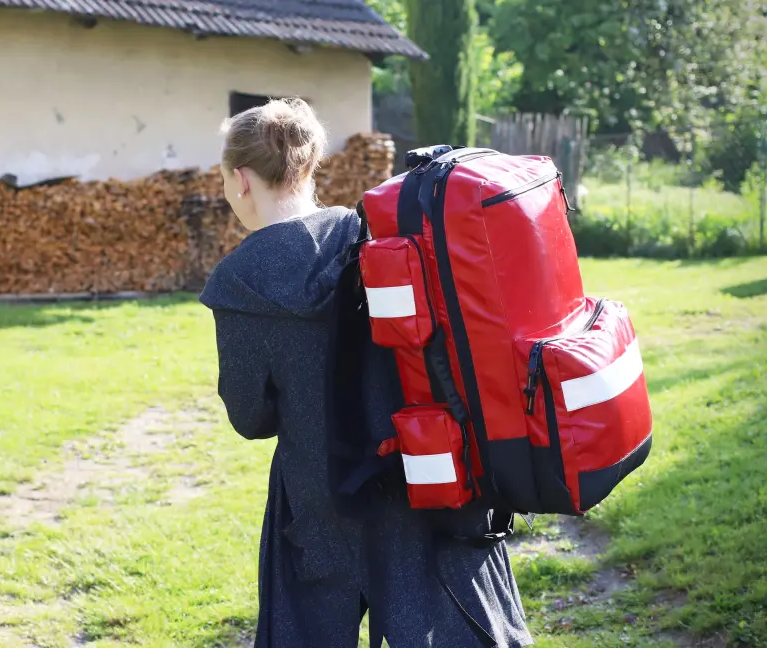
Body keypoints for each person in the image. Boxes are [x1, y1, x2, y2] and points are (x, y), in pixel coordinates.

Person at [198, 97, 534, 648]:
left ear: (240, 179)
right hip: (425, 473)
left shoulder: (240, 282)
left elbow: (250, 417)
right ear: (307, 168)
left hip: (322, 498)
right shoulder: (377, 236)